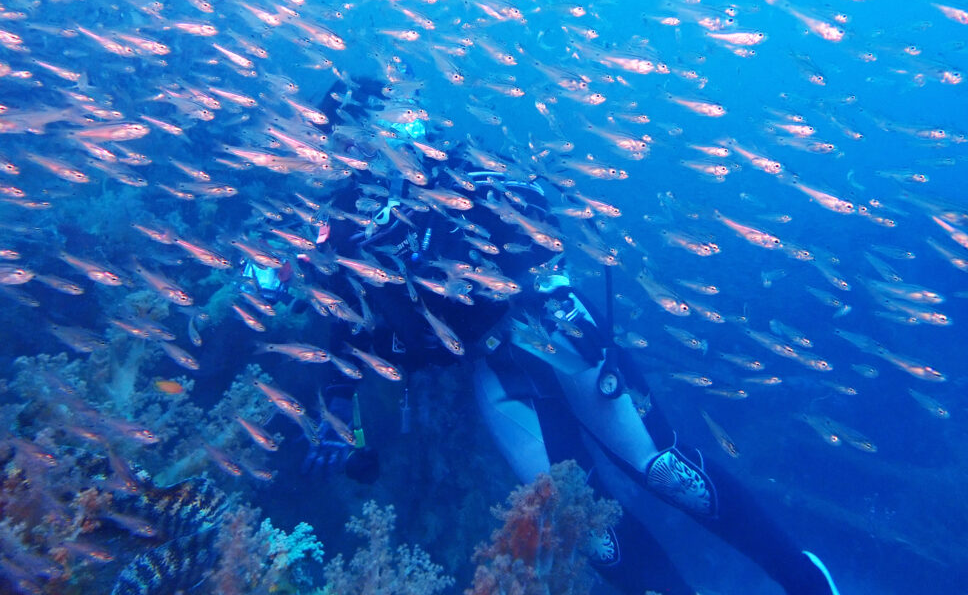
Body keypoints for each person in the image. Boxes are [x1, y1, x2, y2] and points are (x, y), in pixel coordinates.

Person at [243, 62, 842, 595]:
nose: (349, 155)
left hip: (549, 327)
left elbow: (535, 211)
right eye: (336, 147)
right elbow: (345, 334)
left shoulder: (452, 171)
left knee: (667, 472)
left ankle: (803, 578)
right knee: (590, 531)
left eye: (358, 136)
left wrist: (502, 246)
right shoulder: (340, 234)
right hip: (489, 366)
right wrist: (339, 416)